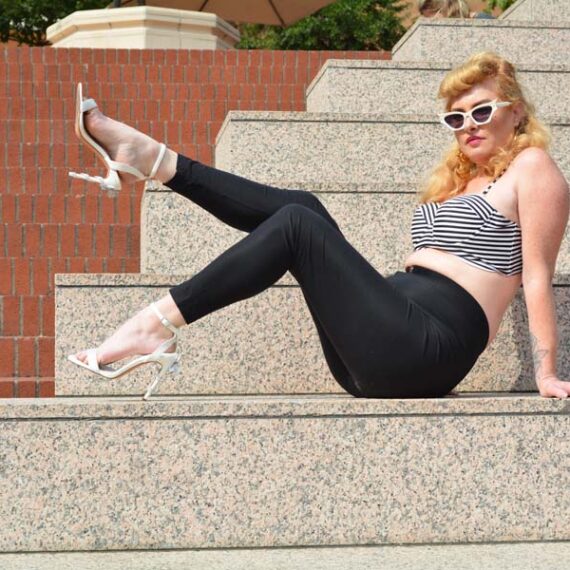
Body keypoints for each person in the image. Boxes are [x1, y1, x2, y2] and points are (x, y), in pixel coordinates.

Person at [68, 51, 570, 401]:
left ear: (517, 112)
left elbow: (536, 278)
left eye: (482, 111)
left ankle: (151, 327)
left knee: (298, 226)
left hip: (424, 350)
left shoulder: (533, 167)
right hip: (382, 338)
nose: (469, 126)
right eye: (456, 119)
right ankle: (155, 161)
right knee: (303, 208)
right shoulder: (458, 180)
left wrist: (546, 372)